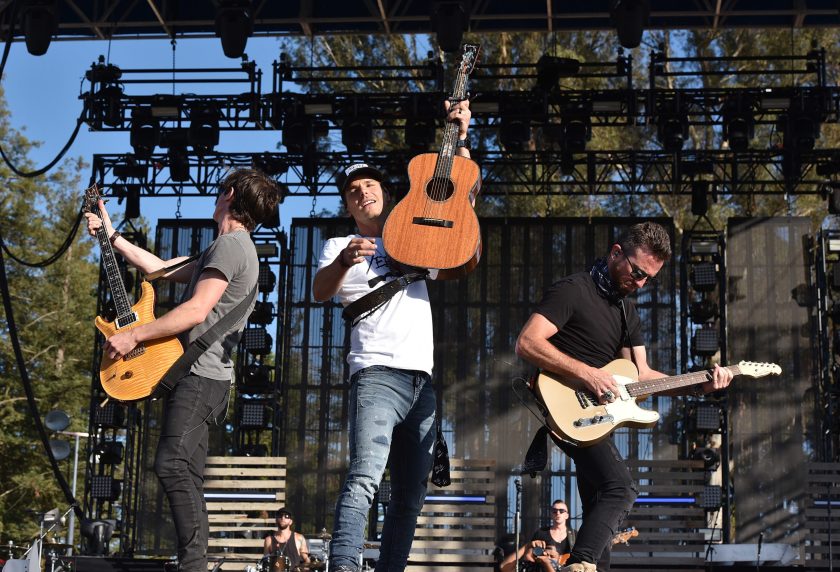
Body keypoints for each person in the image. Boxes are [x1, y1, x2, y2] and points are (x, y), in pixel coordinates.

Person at [85, 168, 282, 572]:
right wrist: (110, 235)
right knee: (187, 472)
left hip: (203, 377)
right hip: (203, 377)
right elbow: (159, 270)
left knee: (171, 463)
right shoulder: (227, 247)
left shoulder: (231, 246)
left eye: (218, 190)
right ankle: (193, 561)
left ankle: (193, 565)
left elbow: (195, 309)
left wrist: (134, 336)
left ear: (228, 194)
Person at [514, 222, 734, 572]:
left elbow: (643, 376)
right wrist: (588, 373)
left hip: (595, 421)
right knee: (621, 488)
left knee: (602, 502)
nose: (641, 283)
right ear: (616, 253)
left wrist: (700, 385)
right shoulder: (573, 290)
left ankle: (593, 565)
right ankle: (581, 564)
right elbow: (527, 342)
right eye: (637, 272)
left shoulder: (626, 311)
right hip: (563, 406)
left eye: (649, 278)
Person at [311, 98, 472, 572]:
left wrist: (460, 136)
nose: (363, 193)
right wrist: (343, 263)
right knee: (364, 478)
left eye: (369, 185)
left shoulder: (414, 232)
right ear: (348, 205)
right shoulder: (338, 244)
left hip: (422, 380)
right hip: (376, 373)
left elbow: (460, 205)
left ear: (385, 192)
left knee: (411, 493)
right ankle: (343, 565)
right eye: (353, 191)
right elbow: (320, 293)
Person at [500, 499, 576, 572]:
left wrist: (550, 562)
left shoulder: (575, 535)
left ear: (567, 515)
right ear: (551, 514)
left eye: (561, 511)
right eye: (554, 511)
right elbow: (528, 555)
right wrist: (529, 547)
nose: (558, 513)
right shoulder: (541, 533)